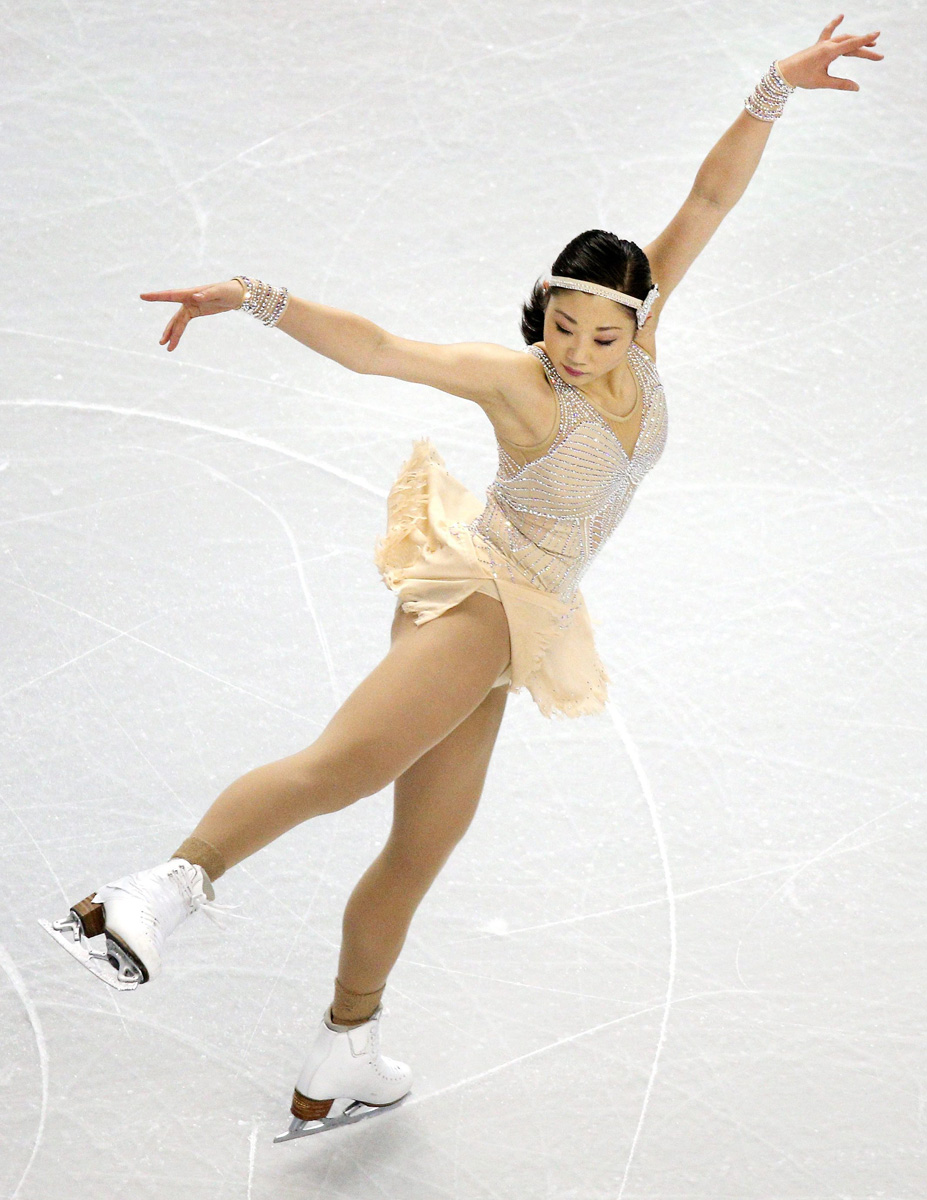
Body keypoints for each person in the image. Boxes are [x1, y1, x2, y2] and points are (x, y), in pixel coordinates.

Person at [41, 18, 883, 1141]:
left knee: (421, 845)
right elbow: (385, 349)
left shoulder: (642, 330)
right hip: (480, 600)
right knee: (345, 767)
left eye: (600, 333)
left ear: (636, 323)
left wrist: (772, 87)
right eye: (562, 324)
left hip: (527, 620)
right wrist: (256, 296)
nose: (576, 350)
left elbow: (709, 200)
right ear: (542, 312)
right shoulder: (520, 381)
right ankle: (156, 892)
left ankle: (345, 1051)